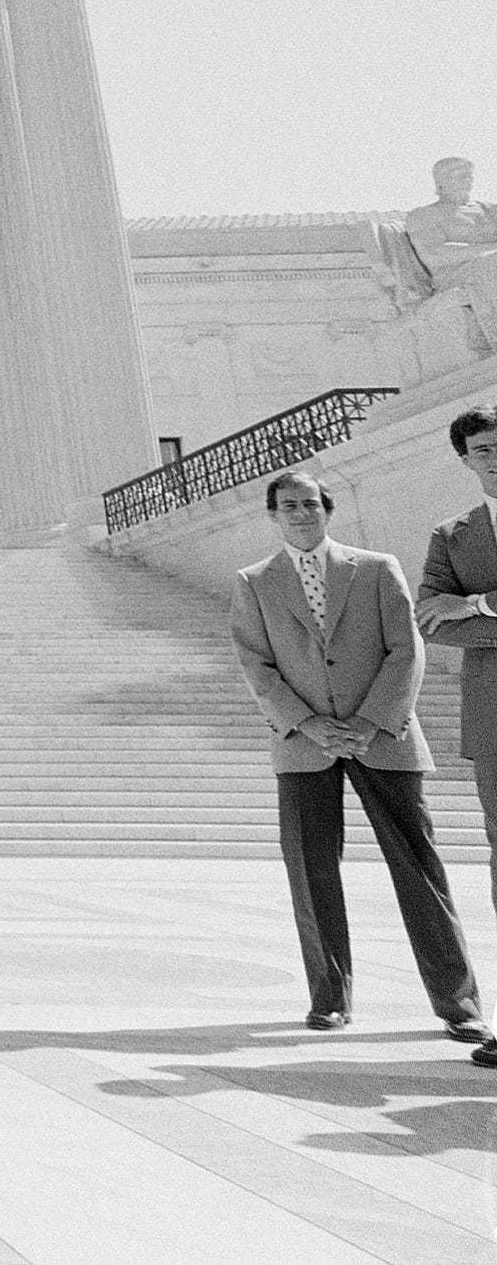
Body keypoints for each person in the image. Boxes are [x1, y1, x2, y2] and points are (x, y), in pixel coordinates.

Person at [231, 470, 487, 1047]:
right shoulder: (254, 582)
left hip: (384, 736)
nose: (301, 514)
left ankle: (458, 1004)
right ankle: (329, 998)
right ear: (273, 515)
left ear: (329, 510)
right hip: (304, 745)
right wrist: (309, 723)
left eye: (310, 504)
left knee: (419, 869)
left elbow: (406, 646)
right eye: (288, 506)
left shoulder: (375, 568)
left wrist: (370, 721)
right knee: (311, 871)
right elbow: (256, 664)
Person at [419, 405, 497, 1065]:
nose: (494, 455)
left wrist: (480, 603)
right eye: (482, 448)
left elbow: (458, 615)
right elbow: (431, 622)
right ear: (466, 459)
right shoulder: (452, 535)